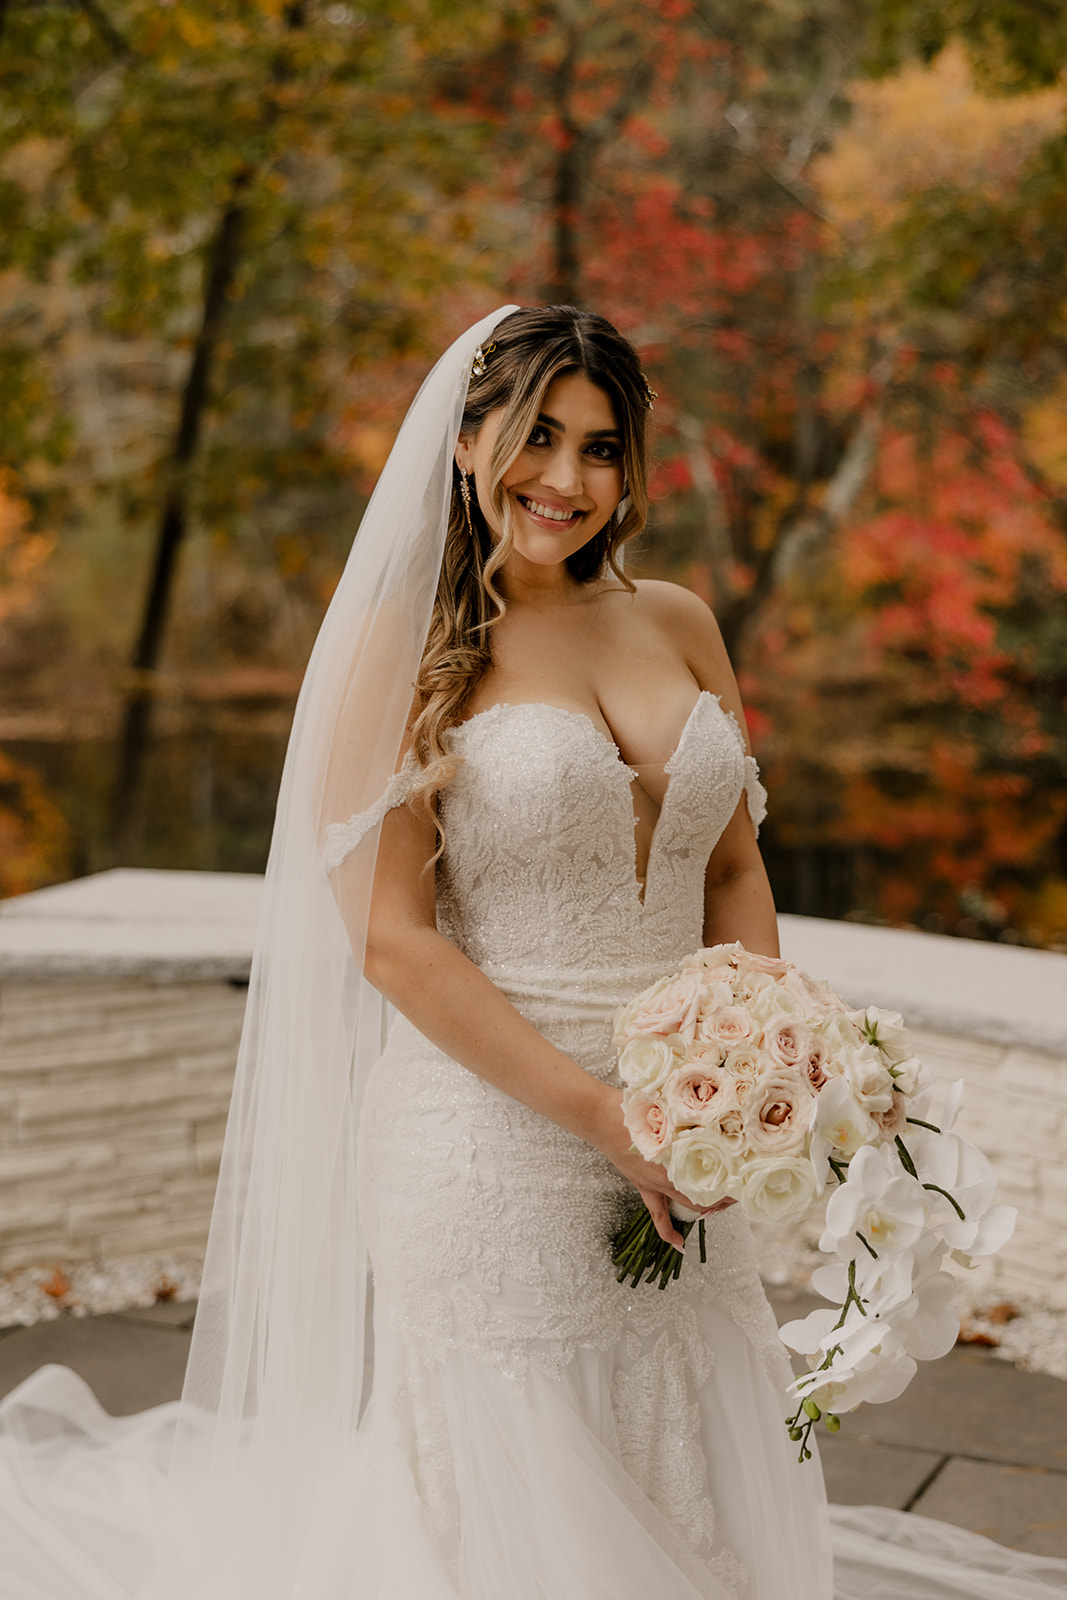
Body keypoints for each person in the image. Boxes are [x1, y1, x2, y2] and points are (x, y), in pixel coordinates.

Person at [1, 304, 1065, 1600]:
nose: (567, 479)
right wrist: (607, 1116)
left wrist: (765, 1057)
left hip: (695, 1128)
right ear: (465, 439)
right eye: (539, 435)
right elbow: (392, 943)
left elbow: (729, 863)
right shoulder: (400, 648)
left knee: (690, 1428)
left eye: (602, 447)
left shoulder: (674, 619)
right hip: (491, 1143)